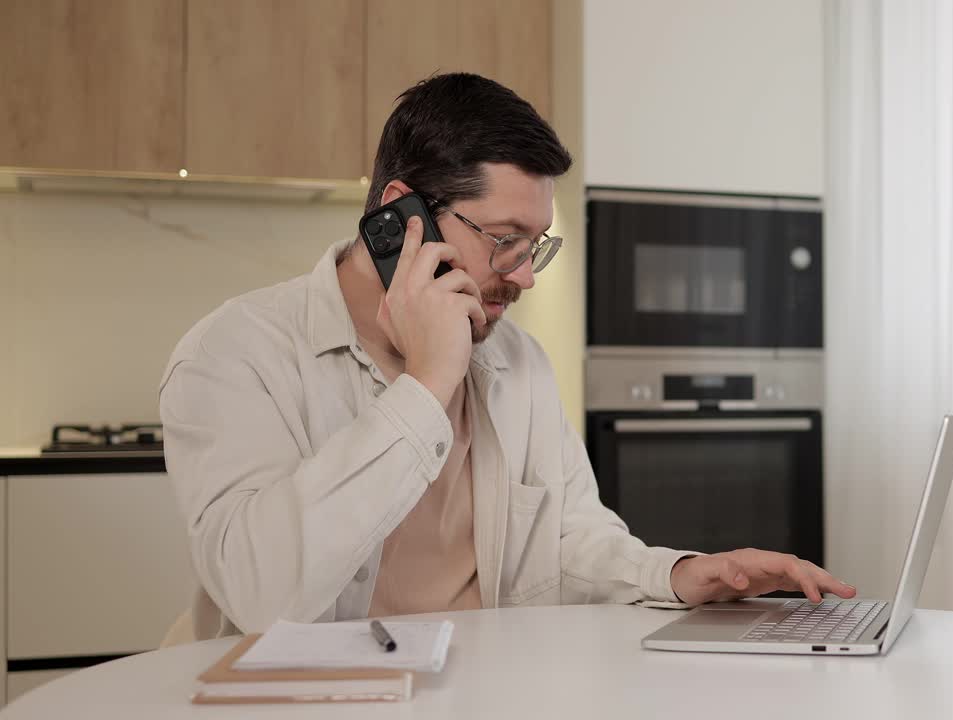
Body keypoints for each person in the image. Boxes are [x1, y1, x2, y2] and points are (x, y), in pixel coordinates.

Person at [159, 73, 855, 640]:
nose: (524, 276)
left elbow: (570, 538)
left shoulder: (517, 360)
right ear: (403, 218)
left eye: (536, 245)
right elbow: (260, 594)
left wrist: (682, 574)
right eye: (505, 239)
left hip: (494, 695)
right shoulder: (236, 353)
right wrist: (427, 385)